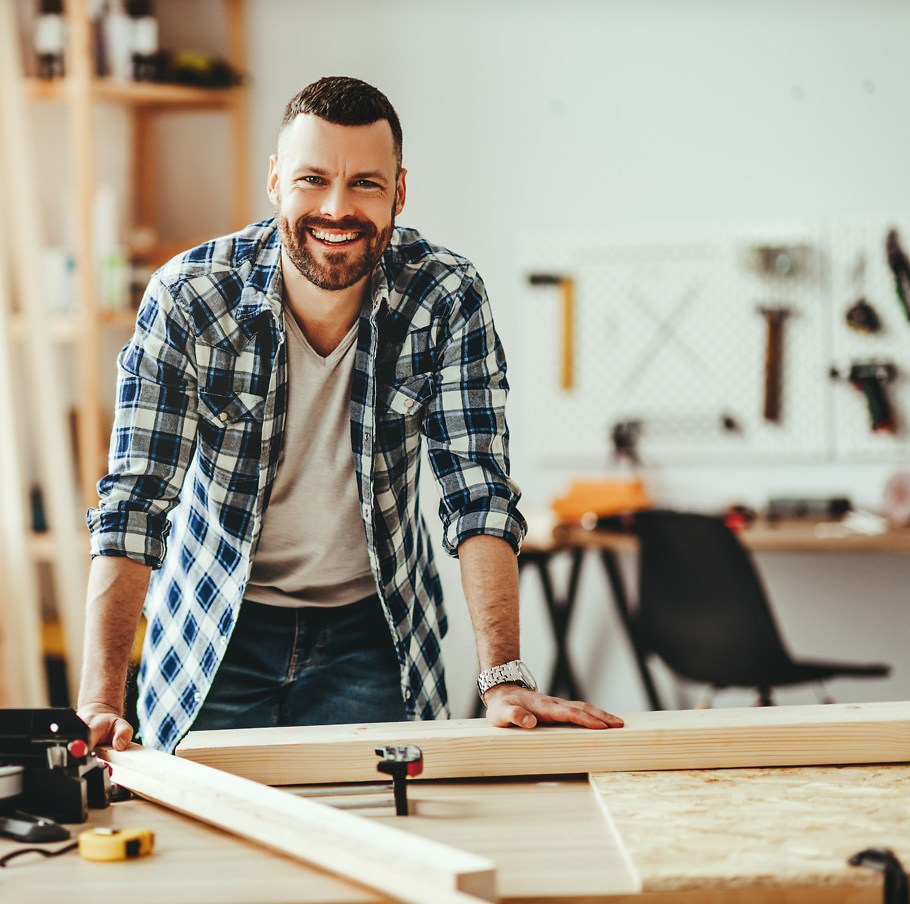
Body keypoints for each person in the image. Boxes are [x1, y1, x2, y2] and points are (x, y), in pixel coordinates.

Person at [78, 76, 622, 752]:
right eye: (313, 179)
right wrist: (100, 701)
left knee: (382, 830)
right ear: (276, 181)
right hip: (215, 625)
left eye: (365, 183)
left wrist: (502, 678)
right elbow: (135, 502)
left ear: (399, 192)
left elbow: (477, 493)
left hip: (372, 631)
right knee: (207, 835)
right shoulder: (190, 298)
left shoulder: (446, 298)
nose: (338, 207)